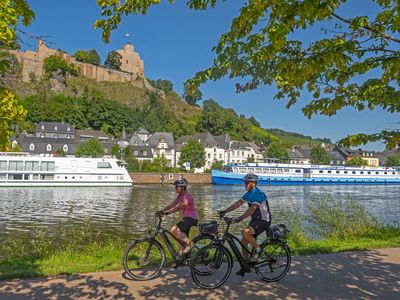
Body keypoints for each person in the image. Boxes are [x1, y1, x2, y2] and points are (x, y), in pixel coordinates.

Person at [218, 173, 271, 276]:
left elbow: (252, 209)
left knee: (245, 232)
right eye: (245, 182)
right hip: (255, 221)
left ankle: (259, 249)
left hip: (264, 221)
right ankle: (245, 266)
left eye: (247, 182)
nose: (245, 184)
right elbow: (237, 204)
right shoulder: (248, 194)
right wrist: (225, 211)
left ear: (254, 183)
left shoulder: (259, 194)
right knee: (243, 243)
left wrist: (240, 218)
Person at [157, 178, 199, 257]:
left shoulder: (188, 196)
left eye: (177, 187)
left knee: (173, 230)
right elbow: (172, 204)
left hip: (191, 218)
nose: (175, 188)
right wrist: (162, 211)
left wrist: (167, 213)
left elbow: (179, 207)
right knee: (180, 238)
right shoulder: (180, 196)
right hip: (186, 218)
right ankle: (181, 258)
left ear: (183, 187)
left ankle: (190, 244)